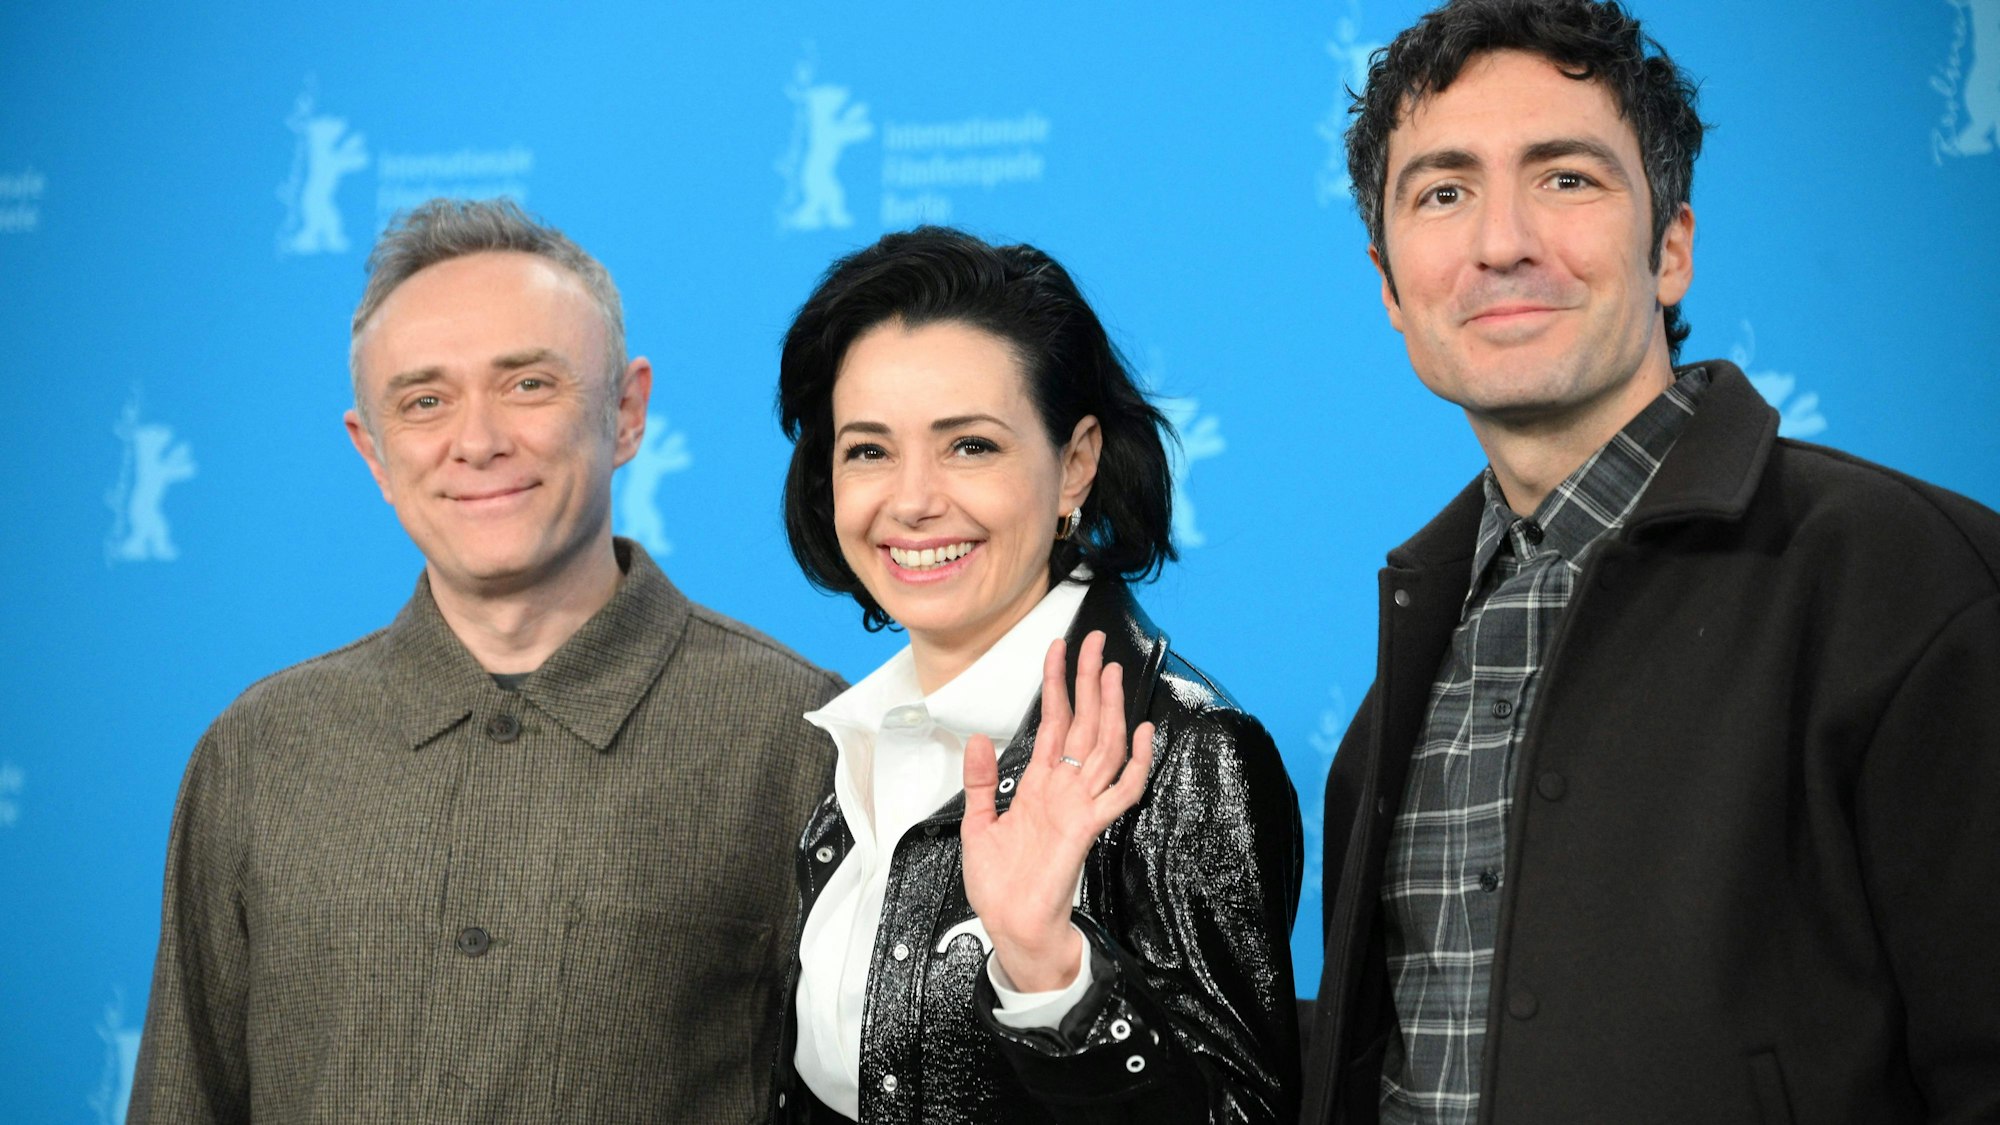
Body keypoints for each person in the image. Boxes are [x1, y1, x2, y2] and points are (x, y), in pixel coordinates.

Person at [1299, 2, 2000, 1122]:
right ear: (1390, 284)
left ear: (1670, 248)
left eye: (1565, 179)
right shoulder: (1406, 679)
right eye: (1443, 193)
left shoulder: (1911, 582)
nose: (1500, 242)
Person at [129, 198, 842, 1123]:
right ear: (373, 452)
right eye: (424, 401)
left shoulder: (804, 739)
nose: (477, 441)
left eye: (528, 384)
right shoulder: (258, 752)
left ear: (627, 413)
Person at [769, 226, 1303, 1123]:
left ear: (1076, 464)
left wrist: (1052, 974)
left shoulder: (1182, 753)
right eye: (868, 450)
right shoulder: (854, 736)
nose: (912, 500)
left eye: (970, 445)